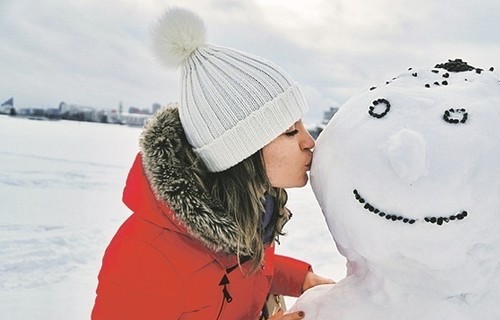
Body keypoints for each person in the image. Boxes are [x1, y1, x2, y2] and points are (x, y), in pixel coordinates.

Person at [92, 7, 333, 320]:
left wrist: (300, 278)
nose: (309, 142)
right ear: (241, 153)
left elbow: (242, 272)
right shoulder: (146, 254)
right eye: (290, 131)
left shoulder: (250, 210)